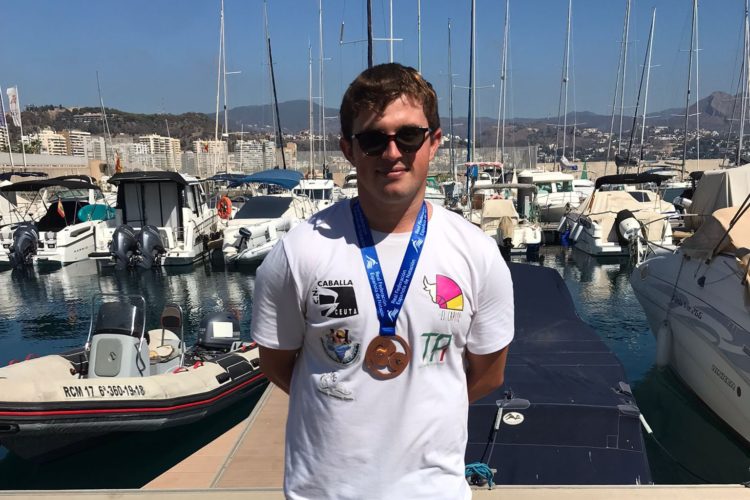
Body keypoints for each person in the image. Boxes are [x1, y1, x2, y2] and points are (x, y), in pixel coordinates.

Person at [251, 63, 514, 499]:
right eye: (373, 139)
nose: (392, 152)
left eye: (408, 136)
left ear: (434, 142)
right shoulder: (298, 253)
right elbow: (277, 365)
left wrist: (425, 406)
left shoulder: (478, 255)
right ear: (349, 149)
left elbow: (489, 375)